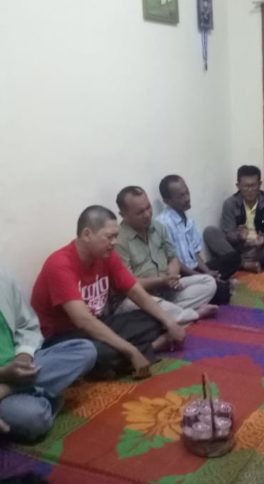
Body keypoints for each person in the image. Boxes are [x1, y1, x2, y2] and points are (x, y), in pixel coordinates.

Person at [31, 206, 185, 380]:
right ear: (87, 234)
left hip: (97, 324)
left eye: (116, 236)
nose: (115, 242)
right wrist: (131, 351)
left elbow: (135, 291)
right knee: (92, 352)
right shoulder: (60, 264)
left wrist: (169, 322)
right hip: (64, 338)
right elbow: (84, 321)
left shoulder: (107, 256)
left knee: (154, 319)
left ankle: (113, 363)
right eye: (109, 237)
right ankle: (149, 349)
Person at [0, 270, 96, 442]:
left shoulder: (3, 281)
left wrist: (23, 357)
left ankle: (9, 389)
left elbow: (26, 326)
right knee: (33, 419)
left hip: (20, 367)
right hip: (6, 376)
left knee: (84, 349)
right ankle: (40, 392)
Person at [115, 186, 218, 324]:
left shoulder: (158, 227)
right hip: (141, 297)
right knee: (133, 304)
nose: (147, 214)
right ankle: (192, 314)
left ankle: (164, 316)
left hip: (167, 290)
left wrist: (172, 278)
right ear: (123, 215)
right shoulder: (118, 241)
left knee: (208, 282)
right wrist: (161, 281)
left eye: (148, 207)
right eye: (140, 212)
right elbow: (129, 284)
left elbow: (173, 257)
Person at [157, 175, 240, 305]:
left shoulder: (188, 219)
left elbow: (195, 254)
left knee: (234, 258)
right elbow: (174, 262)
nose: (187, 198)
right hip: (181, 275)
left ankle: (215, 283)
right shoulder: (163, 224)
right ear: (167, 201)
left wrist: (207, 271)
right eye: (181, 196)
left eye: (187, 192)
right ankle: (219, 286)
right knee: (222, 294)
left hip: (195, 269)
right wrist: (200, 276)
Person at [203, 165, 264, 273]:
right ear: (238, 186)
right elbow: (228, 233)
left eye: (253, 186)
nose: (250, 190)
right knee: (210, 232)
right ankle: (244, 264)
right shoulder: (230, 204)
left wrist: (263, 239)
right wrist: (238, 236)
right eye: (245, 186)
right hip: (236, 249)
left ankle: (237, 263)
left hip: (259, 249)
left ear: (260, 184)